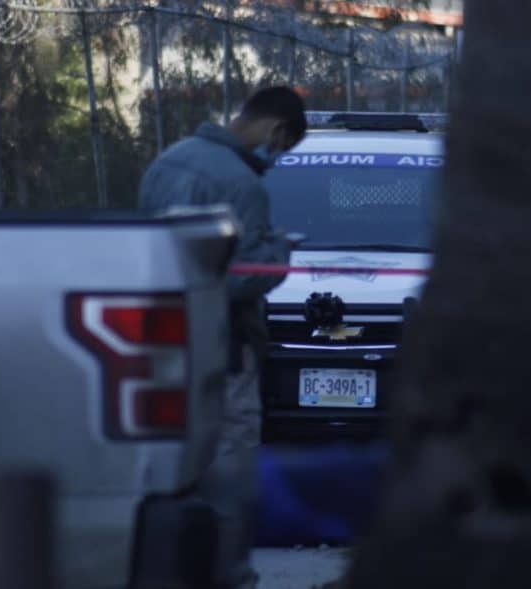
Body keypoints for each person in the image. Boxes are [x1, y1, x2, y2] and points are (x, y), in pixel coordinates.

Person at [139, 86, 307, 589]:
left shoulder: (166, 163)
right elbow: (240, 277)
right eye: (283, 149)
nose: (276, 158)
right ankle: (229, 576)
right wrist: (279, 251)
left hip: (162, 344)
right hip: (226, 347)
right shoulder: (243, 184)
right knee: (231, 471)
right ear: (277, 132)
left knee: (172, 468)